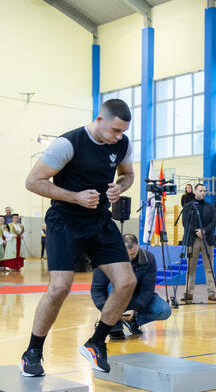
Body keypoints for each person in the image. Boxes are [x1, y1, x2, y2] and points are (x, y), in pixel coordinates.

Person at [20, 99, 137, 377]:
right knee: (60, 287)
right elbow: (33, 182)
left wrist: (118, 188)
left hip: (99, 221)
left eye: (123, 131)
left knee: (127, 282)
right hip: (65, 222)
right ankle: (32, 351)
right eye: (114, 130)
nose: (118, 136)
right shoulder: (68, 143)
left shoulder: (122, 144)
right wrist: (75, 197)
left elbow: (128, 174)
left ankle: (97, 342)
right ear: (99, 120)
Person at [90, 234, 171, 340]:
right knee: (115, 284)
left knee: (164, 310)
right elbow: (97, 289)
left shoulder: (148, 258)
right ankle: (114, 326)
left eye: (132, 254)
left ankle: (134, 321)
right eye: (125, 254)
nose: (129, 258)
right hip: (114, 295)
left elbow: (148, 289)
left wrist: (134, 308)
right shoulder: (105, 259)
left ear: (138, 246)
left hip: (137, 296)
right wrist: (106, 310)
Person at [180, 183, 216, 304]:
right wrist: (196, 232)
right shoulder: (188, 206)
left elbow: (214, 222)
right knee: (191, 268)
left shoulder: (210, 207)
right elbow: (185, 223)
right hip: (192, 240)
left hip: (207, 240)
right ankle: (189, 293)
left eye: (204, 191)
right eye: (200, 191)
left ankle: (212, 293)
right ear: (195, 192)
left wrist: (204, 230)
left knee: (209, 267)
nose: (203, 193)